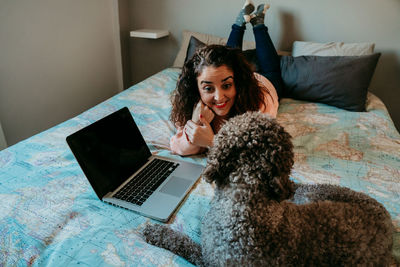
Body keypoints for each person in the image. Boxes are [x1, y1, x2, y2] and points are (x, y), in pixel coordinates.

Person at [170, 1, 283, 156]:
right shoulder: (192, 104)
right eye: (208, 88)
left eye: (227, 85)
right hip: (237, 76)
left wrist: (213, 142)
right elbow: (177, 147)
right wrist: (195, 123)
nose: (219, 97)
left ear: (236, 82)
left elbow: (256, 154)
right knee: (226, 58)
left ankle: (258, 23)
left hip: (266, 84)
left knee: (271, 69)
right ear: (196, 87)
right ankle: (241, 22)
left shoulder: (259, 101)